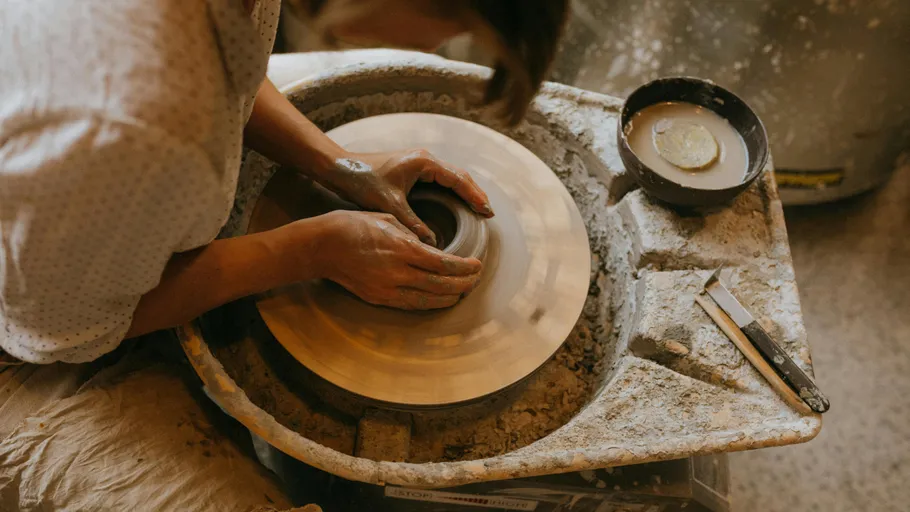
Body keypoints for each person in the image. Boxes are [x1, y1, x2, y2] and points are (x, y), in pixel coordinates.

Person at [0, 0, 569, 509]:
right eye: (451, 20)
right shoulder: (141, 118)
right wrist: (307, 251)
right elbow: (61, 333)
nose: (437, 48)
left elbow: (226, 73)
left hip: (75, 218)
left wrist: (338, 164)